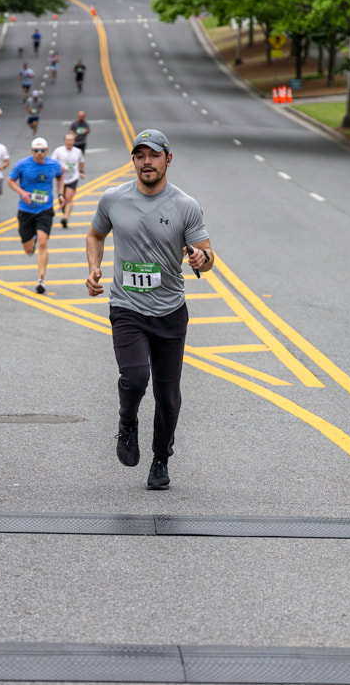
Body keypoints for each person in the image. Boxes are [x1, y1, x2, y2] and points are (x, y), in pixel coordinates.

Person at [85, 129, 213, 491]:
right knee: (136, 378)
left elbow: (207, 256)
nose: (146, 162)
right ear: (133, 160)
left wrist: (201, 259)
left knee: (168, 397)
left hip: (170, 310)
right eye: (140, 155)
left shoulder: (185, 205)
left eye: (154, 155)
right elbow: (95, 235)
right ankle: (127, 421)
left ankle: (160, 459)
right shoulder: (113, 199)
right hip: (127, 306)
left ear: (167, 160)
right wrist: (93, 268)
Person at [8, 136, 62, 295]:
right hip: (26, 210)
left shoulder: (54, 164)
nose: (39, 153)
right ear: (32, 151)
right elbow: (10, 181)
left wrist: (60, 194)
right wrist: (22, 193)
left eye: (42, 150)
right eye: (36, 150)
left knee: (43, 243)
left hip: (45, 209)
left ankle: (41, 280)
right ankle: (33, 241)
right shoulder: (22, 164)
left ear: (47, 151)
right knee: (28, 250)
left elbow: (60, 176)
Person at [52, 132, 85, 229]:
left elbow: (81, 161)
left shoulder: (78, 151)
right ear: (64, 141)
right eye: (67, 140)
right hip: (61, 178)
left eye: (71, 140)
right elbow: (52, 162)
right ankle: (65, 212)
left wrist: (81, 171)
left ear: (74, 141)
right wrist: (58, 168)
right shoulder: (58, 151)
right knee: (62, 198)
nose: (69, 142)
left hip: (73, 177)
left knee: (69, 198)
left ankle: (65, 218)